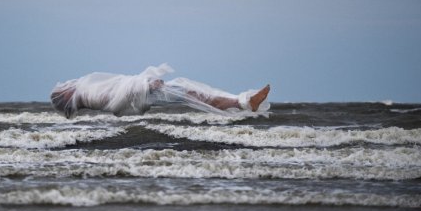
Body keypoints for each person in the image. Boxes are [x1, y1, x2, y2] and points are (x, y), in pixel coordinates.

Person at [50, 64, 270, 119]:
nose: (66, 86)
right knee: (194, 95)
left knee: (194, 93)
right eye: (64, 91)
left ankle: (242, 102)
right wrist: (147, 85)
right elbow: (115, 100)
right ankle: (244, 103)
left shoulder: (85, 92)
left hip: (145, 93)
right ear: (66, 98)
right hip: (147, 93)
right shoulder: (88, 95)